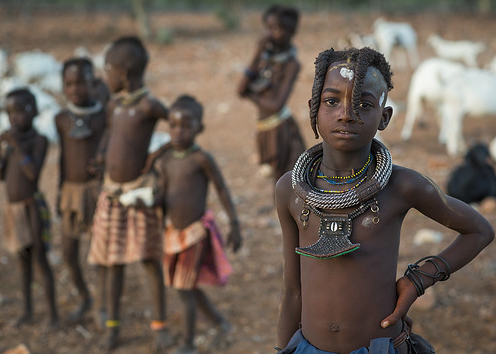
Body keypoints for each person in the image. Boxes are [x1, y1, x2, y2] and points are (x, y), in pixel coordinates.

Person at [274, 47, 494, 353]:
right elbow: (293, 291)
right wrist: (285, 348)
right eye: (331, 101)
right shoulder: (291, 190)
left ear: (385, 117)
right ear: (314, 107)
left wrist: (420, 278)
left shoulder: (401, 186)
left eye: (364, 104)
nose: (346, 114)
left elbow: (479, 230)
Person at [86, 36, 171, 350]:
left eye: (107, 69)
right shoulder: (114, 105)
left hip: (138, 195)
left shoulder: (149, 105)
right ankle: (112, 326)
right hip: (112, 194)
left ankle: (160, 326)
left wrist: (157, 156)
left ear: (122, 72)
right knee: (112, 262)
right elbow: (110, 136)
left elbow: (176, 123)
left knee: (149, 260)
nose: (104, 76)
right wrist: (100, 158)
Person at [149, 95, 242, 353]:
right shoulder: (165, 160)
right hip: (173, 234)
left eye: (186, 126)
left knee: (184, 288)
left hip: (195, 234)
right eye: (173, 125)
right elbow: (162, 194)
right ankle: (218, 321)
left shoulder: (201, 159)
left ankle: (188, 344)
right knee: (184, 285)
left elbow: (221, 189)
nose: (178, 132)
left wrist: (235, 223)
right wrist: (152, 198)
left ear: (199, 128)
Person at [0, 88, 59, 328]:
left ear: (34, 112)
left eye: (20, 111)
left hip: (33, 208)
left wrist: (15, 144)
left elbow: (32, 173)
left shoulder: (38, 141)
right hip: (14, 210)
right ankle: (27, 311)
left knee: (40, 260)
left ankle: (52, 314)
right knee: (23, 263)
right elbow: (1, 176)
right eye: (10, 112)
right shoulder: (11, 144)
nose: (14, 117)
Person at [55, 57, 107, 322]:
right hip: (71, 193)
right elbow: (63, 158)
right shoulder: (61, 119)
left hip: (97, 191)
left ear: (92, 83)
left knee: (98, 253)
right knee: (68, 253)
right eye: (69, 84)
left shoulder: (103, 116)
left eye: (81, 83)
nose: (75, 89)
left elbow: (110, 148)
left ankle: (101, 305)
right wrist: (59, 194)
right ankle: (84, 296)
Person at [237, 4, 305, 184]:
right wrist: (257, 53)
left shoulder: (291, 64)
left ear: (291, 32)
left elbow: (276, 105)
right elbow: (239, 90)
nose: (269, 34)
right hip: (265, 128)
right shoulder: (264, 60)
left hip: (282, 130)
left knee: (289, 181)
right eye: (268, 28)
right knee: (277, 181)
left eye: (276, 28)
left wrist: (252, 95)